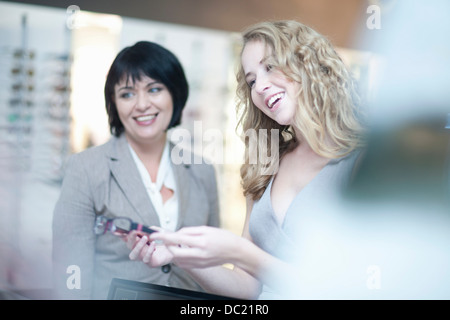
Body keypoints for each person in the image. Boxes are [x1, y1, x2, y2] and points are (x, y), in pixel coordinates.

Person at [127, 20, 365, 299]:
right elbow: (246, 287)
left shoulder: (364, 160)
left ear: (307, 64)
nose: (260, 86)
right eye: (252, 80)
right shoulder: (267, 162)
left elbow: (348, 285)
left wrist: (239, 251)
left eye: (270, 67)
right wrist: (177, 253)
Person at [52, 41, 220, 299]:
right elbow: (70, 268)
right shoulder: (85, 169)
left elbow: (212, 261)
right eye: (127, 94)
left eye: (154, 89)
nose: (141, 104)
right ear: (114, 103)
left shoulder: (202, 170)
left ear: (175, 94)